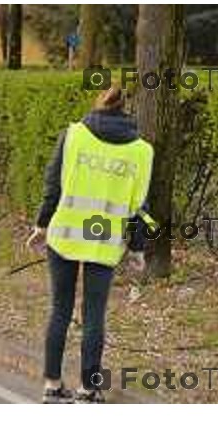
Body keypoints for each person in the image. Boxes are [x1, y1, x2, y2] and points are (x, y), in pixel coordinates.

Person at [27, 86, 155, 403]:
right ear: (128, 111)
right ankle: (88, 389)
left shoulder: (73, 136)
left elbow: (52, 185)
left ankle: (52, 386)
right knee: (94, 316)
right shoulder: (142, 151)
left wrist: (41, 226)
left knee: (60, 310)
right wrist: (138, 249)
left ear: (99, 105)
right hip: (103, 239)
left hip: (65, 236)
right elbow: (141, 207)